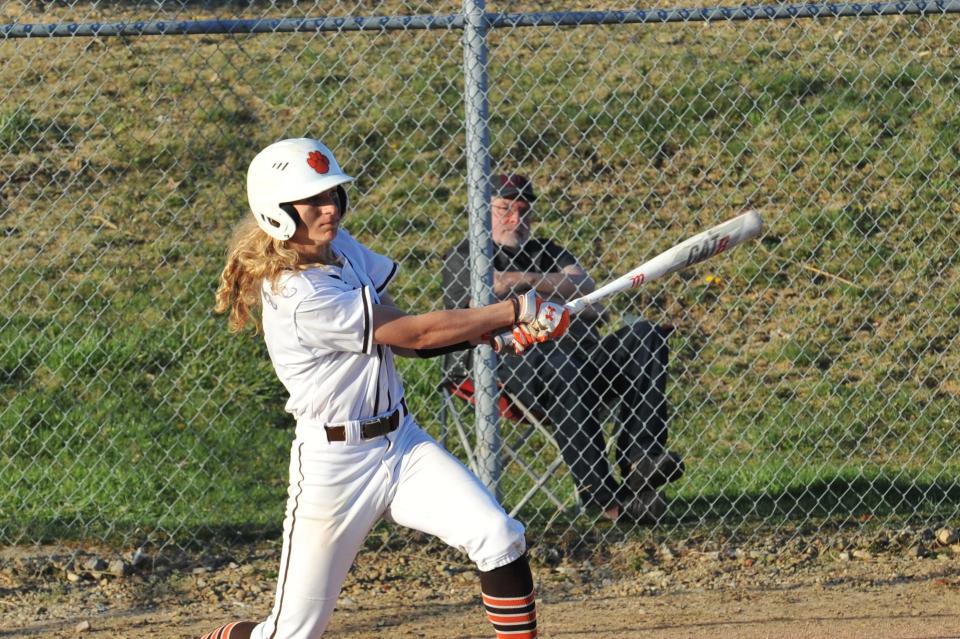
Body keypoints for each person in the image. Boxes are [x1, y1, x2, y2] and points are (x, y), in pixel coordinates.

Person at [204, 139, 567, 639]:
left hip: (401, 443)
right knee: (291, 633)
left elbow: (407, 336)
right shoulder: (298, 293)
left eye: (333, 195)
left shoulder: (341, 249)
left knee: (498, 535)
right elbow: (415, 332)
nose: (329, 208)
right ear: (278, 211)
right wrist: (513, 310)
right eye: (313, 201)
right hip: (336, 466)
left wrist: (488, 334)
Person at [442, 174, 684, 524]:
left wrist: (518, 282)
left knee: (644, 335)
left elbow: (591, 296)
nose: (516, 220)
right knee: (561, 366)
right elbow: (479, 302)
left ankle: (640, 459)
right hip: (506, 365)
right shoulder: (468, 254)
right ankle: (603, 498)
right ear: (483, 210)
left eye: (524, 211)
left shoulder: (549, 251)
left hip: (578, 360)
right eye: (505, 209)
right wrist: (558, 292)